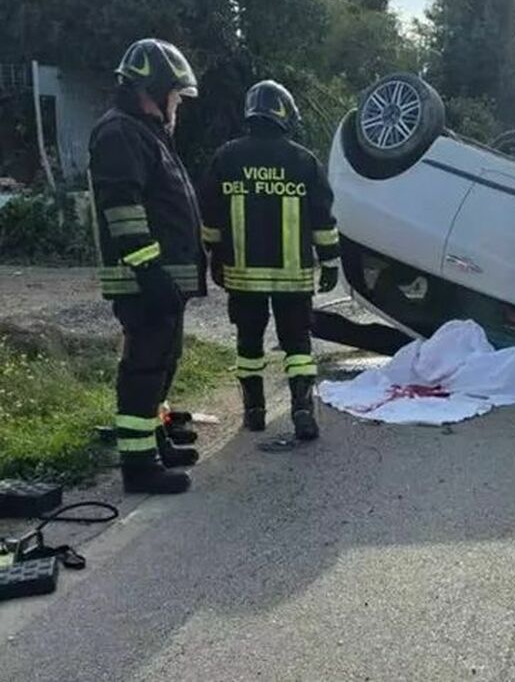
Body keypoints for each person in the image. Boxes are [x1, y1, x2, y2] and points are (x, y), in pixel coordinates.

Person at [89, 39, 204, 494]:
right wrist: (149, 269)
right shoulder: (120, 133)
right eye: (174, 94)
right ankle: (139, 467)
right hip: (144, 278)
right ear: (153, 89)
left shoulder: (144, 132)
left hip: (159, 277)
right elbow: (123, 209)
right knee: (143, 367)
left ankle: (154, 440)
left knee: (162, 362)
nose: (178, 104)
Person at [199, 80, 341, 440]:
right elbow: (323, 218)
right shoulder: (303, 160)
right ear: (284, 114)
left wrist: (214, 257)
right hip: (292, 277)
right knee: (297, 345)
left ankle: (255, 411)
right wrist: (330, 262)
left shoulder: (226, 157)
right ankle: (302, 408)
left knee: (248, 343)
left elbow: (210, 216)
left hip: (242, 277)